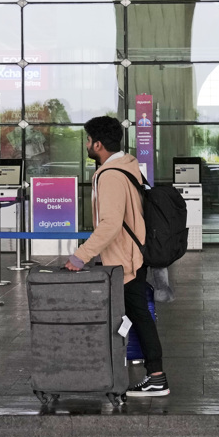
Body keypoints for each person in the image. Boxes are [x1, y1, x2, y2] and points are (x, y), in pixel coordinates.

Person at [64, 115, 167, 397]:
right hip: (132, 254)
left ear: (98, 144)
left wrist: (80, 256)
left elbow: (110, 223)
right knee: (135, 314)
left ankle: (156, 377)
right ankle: (134, 373)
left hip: (124, 259)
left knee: (138, 316)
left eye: (88, 140)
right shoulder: (127, 166)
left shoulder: (110, 175)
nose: (87, 145)